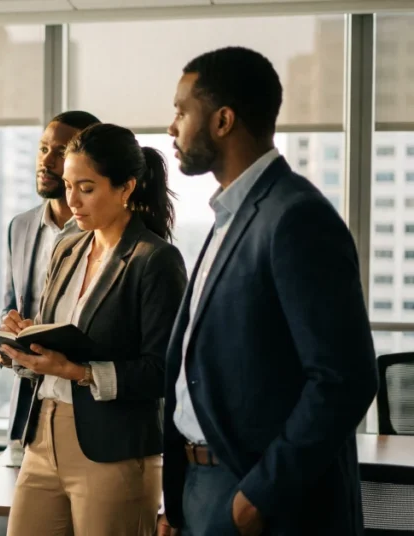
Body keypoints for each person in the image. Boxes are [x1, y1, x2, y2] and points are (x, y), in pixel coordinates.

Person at [159, 46, 378, 536]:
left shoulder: (296, 216)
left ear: (223, 120)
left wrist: (257, 497)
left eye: (180, 111)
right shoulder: (229, 216)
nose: (171, 126)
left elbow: (345, 379)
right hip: (202, 483)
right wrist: (178, 499)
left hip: (259, 495)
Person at [0, 123, 187, 535]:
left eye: (87, 187)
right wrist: (21, 341)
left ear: (126, 187)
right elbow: (52, 340)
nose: (72, 200)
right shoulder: (68, 247)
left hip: (114, 450)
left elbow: (163, 372)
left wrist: (76, 371)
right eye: (68, 186)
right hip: (42, 434)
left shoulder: (155, 260)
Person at [1, 110, 101, 456]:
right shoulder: (21, 226)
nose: (47, 161)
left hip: (89, 411)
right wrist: (7, 334)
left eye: (60, 152)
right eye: (43, 148)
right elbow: (12, 304)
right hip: (28, 415)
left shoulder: (102, 231)